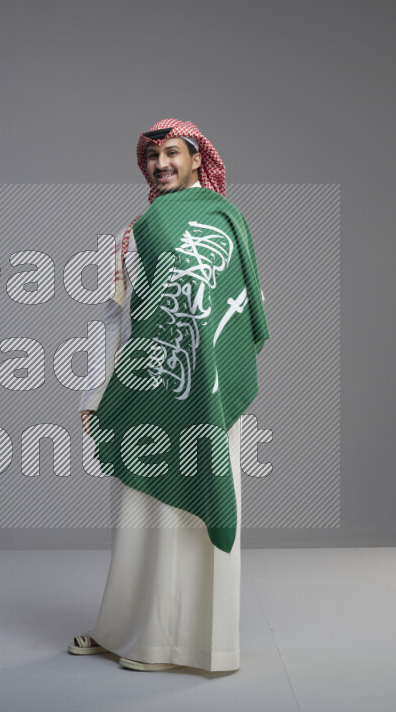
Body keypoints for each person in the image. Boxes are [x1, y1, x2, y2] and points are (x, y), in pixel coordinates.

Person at [68, 119, 269, 672]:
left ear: (198, 157)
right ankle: (130, 636)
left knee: (194, 521)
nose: (161, 164)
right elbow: (117, 316)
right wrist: (94, 392)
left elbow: (225, 312)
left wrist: (207, 375)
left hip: (204, 389)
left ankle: (205, 646)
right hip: (143, 386)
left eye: (172, 153)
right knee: (139, 517)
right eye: (152, 156)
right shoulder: (137, 229)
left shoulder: (222, 218)